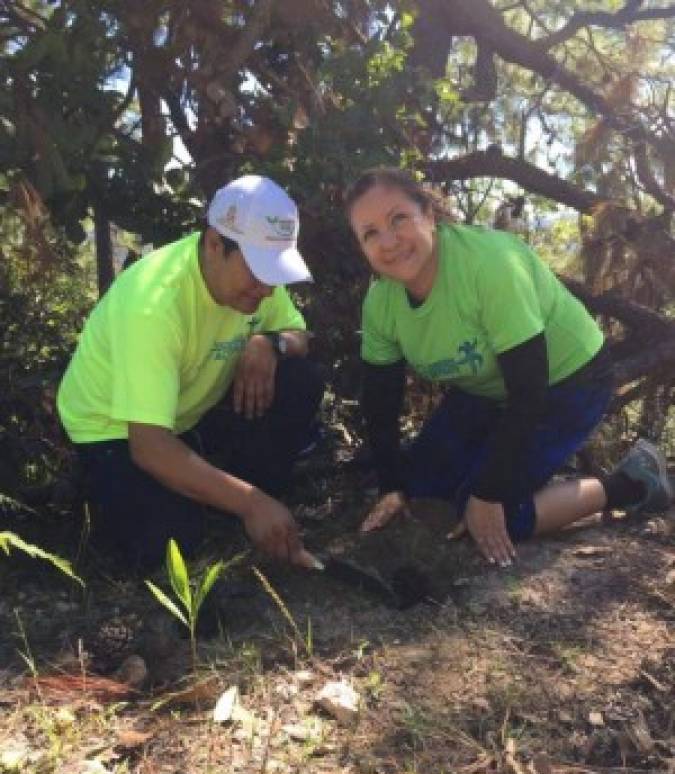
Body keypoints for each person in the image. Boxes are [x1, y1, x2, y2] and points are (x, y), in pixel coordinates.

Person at [345, 167, 672, 566]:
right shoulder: (381, 303)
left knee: (491, 515)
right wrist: (391, 487)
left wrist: (489, 493)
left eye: (398, 219)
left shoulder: (488, 264)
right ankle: (526, 469)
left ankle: (630, 481)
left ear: (428, 214)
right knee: (420, 490)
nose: (389, 241)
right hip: (488, 388)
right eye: (370, 233)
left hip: (568, 380)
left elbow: (529, 391)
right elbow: (381, 405)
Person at [58, 174, 324, 570]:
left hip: (189, 415)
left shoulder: (256, 281)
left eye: (275, 274)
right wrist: (250, 502)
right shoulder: (153, 304)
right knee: (168, 543)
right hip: (114, 431)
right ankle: (103, 493)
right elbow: (147, 444)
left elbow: (299, 333)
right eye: (258, 273)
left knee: (300, 378)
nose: (267, 291)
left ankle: (234, 496)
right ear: (215, 244)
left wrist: (271, 343)